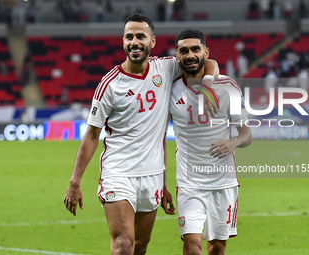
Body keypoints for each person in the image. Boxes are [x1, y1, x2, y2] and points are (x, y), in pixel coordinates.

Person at [63, 14, 219, 255]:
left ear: (152, 41)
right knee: (124, 245)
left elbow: (208, 62)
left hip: (152, 177)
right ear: (123, 42)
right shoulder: (110, 84)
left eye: (140, 36)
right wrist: (75, 181)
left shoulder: (166, 68)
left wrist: (207, 82)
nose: (134, 42)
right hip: (119, 173)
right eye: (129, 37)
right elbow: (92, 135)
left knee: (140, 247)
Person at [162, 29, 252, 255]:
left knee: (218, 249)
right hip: (189, 183)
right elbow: (159, 140)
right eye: (184, 51)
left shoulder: (228, 87)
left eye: (195, 49)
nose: (190, 55)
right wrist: (162, 183)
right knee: (192, 247)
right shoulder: (169, 90)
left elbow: (247, 134)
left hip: (223, 183)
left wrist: (233, 142)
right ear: (177, 55)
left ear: (206, 51)